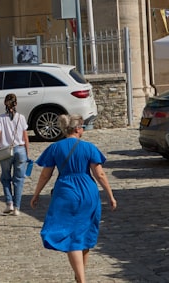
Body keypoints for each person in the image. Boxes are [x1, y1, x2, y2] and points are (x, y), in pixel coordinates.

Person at [30, 115, 117, 283]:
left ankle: (81, 280)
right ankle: (80, 278)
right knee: (82, 236)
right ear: (77, 129)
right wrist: (110, 195)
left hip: (66, 192)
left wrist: (36, 194)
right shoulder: (89, 148)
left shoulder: (55, 148)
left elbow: (45, 174)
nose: (83, 130)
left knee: (73, 238)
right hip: (88, 192)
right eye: (82, 127)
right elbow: (99, 174)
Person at [0, 93, 30, 215]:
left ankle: (9, 202)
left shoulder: (0, 118)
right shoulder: (21, 118)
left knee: (5, 178)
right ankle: (17, 208)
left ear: (5, 103)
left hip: (6, 150)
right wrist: (27, 153)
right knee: (19, 179)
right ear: (16, 103)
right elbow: (25, 137)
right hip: (20, 150)